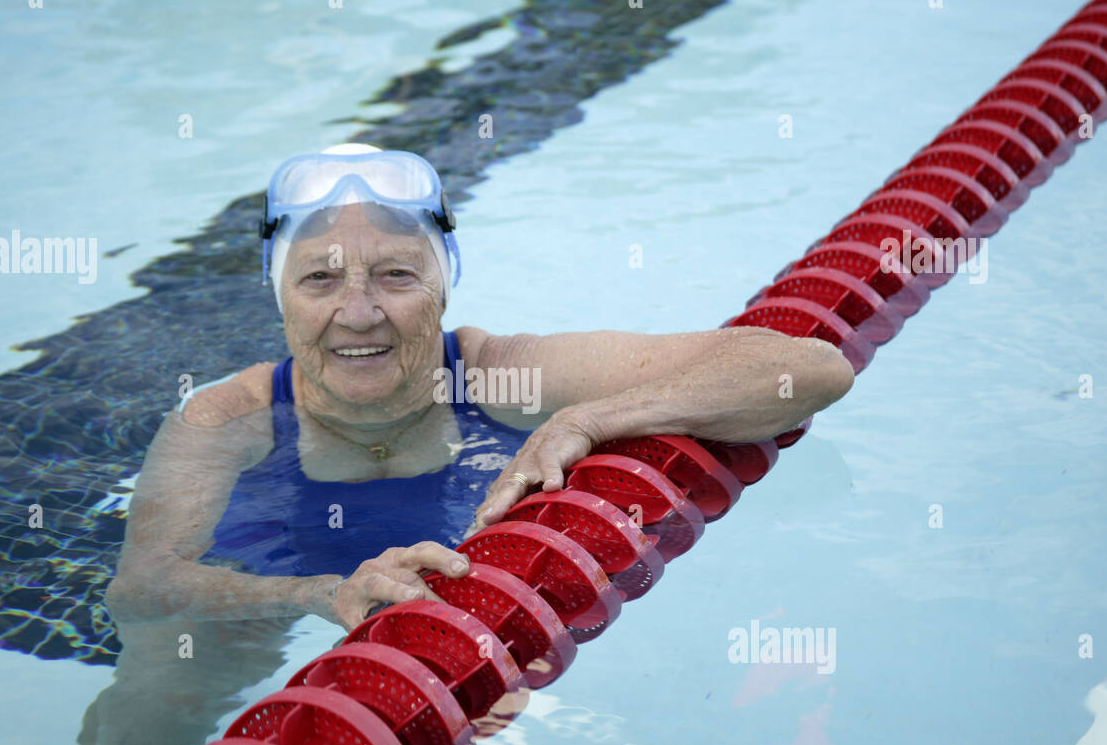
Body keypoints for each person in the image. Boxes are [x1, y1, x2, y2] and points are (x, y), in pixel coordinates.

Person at [103, 142, 855, 632]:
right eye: (321, 278)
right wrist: (311, 595)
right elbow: (140, 589)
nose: (358, 312)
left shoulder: (500, 375)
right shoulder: (229, 421)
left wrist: (595, 418)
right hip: (272, 574)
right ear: (281, 296)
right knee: (155, 708)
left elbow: (810, 369)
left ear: (444, 283)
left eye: (396, 274)